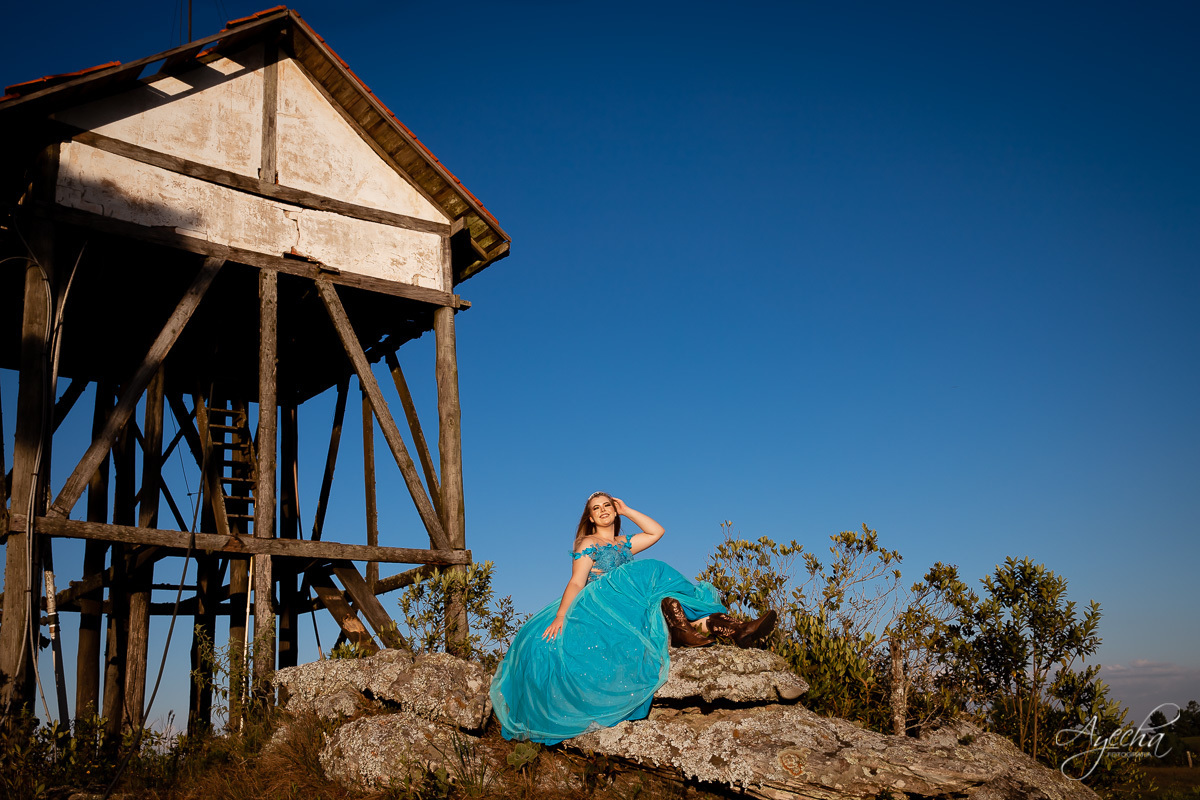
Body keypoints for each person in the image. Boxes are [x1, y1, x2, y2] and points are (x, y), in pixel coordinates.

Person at [489, 492, 777, 744]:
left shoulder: (623, 542)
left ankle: (735, 629)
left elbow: (656, 532)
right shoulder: (587, 542)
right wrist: (562, 615)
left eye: (607, 506)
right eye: (596, 508)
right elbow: (577, 582)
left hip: (629, 601)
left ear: (614, 510)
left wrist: (626, 510)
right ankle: (699, 622)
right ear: (589, 517)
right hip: (601, 600)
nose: (603, 511)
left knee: (666, 603)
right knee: (651, 568)